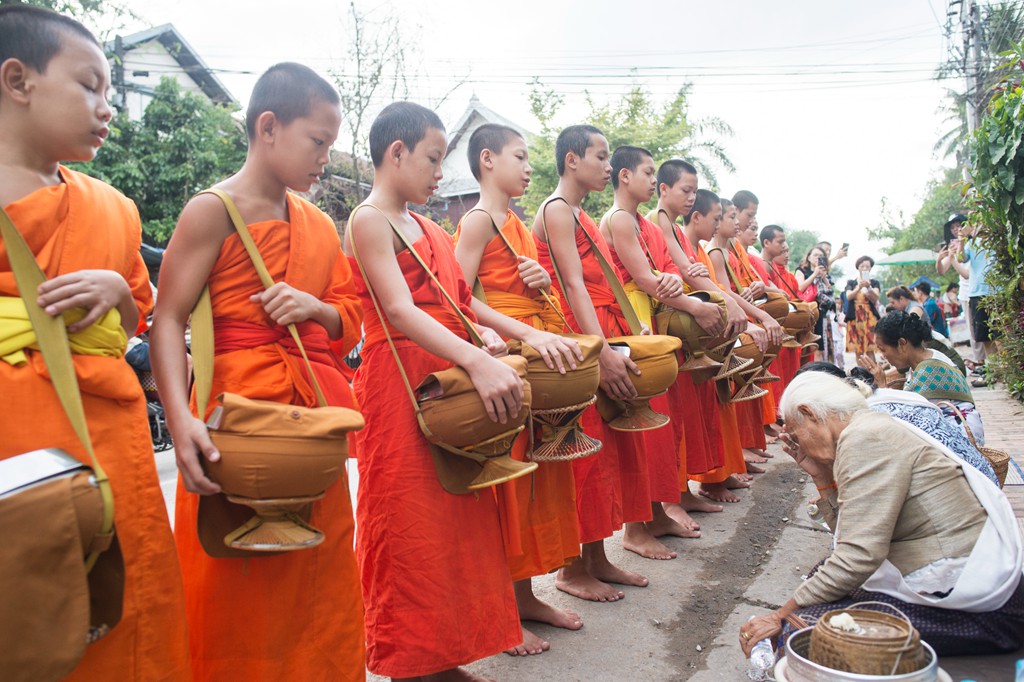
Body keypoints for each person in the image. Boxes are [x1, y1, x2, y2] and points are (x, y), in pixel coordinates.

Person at [151, 63, 365, 679]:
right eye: (318, 141)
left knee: (318, 567)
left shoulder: (322, 225)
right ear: (268, 126)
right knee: (234, 576)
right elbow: (167, 320)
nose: (327, 156)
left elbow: (349, 314)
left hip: (311, 418)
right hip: (237, 416)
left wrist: (318, 309)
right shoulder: (211, 211)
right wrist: (183, 417)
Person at [0, 6, 190, 679]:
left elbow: (138, 313)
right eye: (90, 86)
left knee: (129, 618)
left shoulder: (113, 208)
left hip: (114, 449)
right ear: (17, 80)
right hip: (16, 461)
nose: (107, 108)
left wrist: (118, 289)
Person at [344, 102, 531, 679]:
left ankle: (442, 652)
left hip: (448, 372)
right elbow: (399, 309)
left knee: (456, 513)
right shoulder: (368, 219)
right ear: (395, 152)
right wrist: (475, 357)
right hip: (398, 379)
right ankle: (408, 659)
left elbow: (457, 299)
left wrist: (490, 339)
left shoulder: (428, 226)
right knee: (405, 521)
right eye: (431, 159)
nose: (438, 174)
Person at [739, 373, 1024, 657]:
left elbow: (857, 556)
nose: (798, 443)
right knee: (818, 584)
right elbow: (852, 536)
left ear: (809, 414)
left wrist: (778, 616)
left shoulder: (864, 439)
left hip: (977, 605)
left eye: (796, 433)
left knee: (801, 632)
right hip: (963, 586)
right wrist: (823, 478)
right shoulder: (867, 428)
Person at [452, 123, 585, 656]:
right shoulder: (478, 221)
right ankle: (503, 608)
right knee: (510, 483)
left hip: (536, 345)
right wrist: (520, 332)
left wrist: (541, 283)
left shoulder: (515, 225)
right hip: (507, 355)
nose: (530, 167)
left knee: (538, 477)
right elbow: (456, 296)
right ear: (487, 160)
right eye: (520, 157)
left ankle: (526, 594)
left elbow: (524, 289)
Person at [532, 125, 652, 602]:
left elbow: (600, 280)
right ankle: (570, 569)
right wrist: (599, 350)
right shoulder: (557, 210)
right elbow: (573, 284)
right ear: (571, 161)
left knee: (603, 453)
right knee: (580, 453)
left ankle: (597, 558)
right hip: (573, 340)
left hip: (594, 333)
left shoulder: (580, 212)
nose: (608, 166)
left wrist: (626, 330)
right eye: (600, 157)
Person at [599, 145, 725, 556]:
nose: (653, 181)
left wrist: (677, 283)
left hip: (652, 317)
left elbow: (665, 273)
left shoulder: (644, 223)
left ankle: (654, 513)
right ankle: (636, 528)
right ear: (624, 177)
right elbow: (641, 276)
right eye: (648, 173)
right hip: (630, 320)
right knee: (641, 424)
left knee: (659, 422)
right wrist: (692, 303)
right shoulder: (619, 219)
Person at [645, 159, 743, 528]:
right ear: (663, 190)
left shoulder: (661, 224)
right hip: (663, 321)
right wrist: (727, 301)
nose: (690, 198)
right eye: (685, 190)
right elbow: (678, 271)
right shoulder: (651, 221)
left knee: (686, 417)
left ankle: (683, 492)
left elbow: (684, 268)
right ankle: (669, 504)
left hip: (680, 321)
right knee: (668, 418)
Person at [681, 189, 765, 503]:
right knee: (702, 410)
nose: (721, 223)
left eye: (724, 217)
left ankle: (723, 468)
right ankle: (708, 478)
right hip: (699, 334)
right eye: (721, 217)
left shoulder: (702, 250)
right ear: (697, 216)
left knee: (718, 405)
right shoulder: (703, 251)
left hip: (717, 331)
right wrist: (753, 316)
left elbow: (722, 291)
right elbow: (715, 292)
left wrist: (755, 310)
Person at [796, 362, 998, 486]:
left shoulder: (863, 425)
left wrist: (826, 480)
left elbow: (864, 534)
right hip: (986, 491)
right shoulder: (872, 401)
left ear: (813, 411)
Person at [860, 310, 985, 445]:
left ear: (902, 344)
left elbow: (901, 419)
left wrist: (882, 386)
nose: (883, 356)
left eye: (883, 349)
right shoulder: (930, 357)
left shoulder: (929, 370)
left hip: (960, 441)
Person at [950, 220, 998, 369]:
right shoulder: (972, 243)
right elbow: (961, 258)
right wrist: (962, 241)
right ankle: (995, 370)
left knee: (1000, 335)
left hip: (997, 292)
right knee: (984, 337)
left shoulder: (996, 240)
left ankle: (1006, 370)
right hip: (976, 293)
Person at [795, 245, 834, 361]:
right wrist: (814, 274)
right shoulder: (801, 270)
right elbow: (799, 288)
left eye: (821, 256)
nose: (818, 258)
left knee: (819, 347)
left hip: (820, 312)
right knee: (807, 347)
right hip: (806, 311)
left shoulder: (825, 274)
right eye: (815, 255)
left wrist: (824, 277)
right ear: (809, 257)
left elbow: (830, 292)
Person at [843, 255, 880, 355]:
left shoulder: (874, 283)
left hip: (869, 316)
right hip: (854, 316)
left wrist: (869, 287)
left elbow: (876, 297)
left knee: (870, 347)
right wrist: (858, 287)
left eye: (867, 266)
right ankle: (860, 370)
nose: (864, 269)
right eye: (862, 266)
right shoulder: (851, 282)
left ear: (870, 268)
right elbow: (849, 296)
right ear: (858, 268)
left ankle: (872, 369)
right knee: (857, 349)